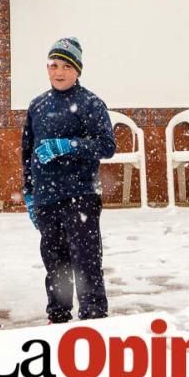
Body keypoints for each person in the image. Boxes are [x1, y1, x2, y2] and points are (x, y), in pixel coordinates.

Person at [21, 37, 116, 323]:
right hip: (47, 198)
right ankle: (58, 316)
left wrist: (68, 146)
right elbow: (27, 154)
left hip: (80, 197)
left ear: (77, 70)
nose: (58, 72)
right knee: (56, 263)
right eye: (53, 65)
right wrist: (29, 194)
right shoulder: (37, 106)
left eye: (66, 66)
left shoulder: (90, 103)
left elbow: (107, 146)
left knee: (86, 261)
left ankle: (93, 316)